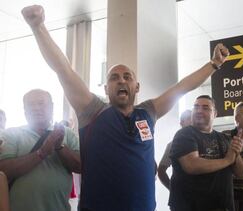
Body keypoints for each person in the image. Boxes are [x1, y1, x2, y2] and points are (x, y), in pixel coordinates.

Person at [22, 5, 229, 211]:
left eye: (127, 77)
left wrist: (214, 64)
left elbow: (182, 87)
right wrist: (38, 26)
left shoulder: (148, 112)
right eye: (114, 78)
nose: (121, 81)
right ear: (106, 88)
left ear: (136, 87)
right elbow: (63, 70)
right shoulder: (92, 110)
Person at [0, 89, 81, 211]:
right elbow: (3, 170)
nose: (36, 108)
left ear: (52, 107)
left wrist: (60, 147)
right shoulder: (11, 134)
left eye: (41, 103)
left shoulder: (67, 134)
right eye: (30, 104)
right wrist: (41, 153)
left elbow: (81, 166)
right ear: (25, 111)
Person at [169, 95, 243, 211]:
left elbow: (240, 173)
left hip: (223, 206)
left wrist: (236, 152)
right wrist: (227, 160)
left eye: (205, 108)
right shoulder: (184, 134)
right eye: (196, 107)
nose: (199, 111)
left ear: (215, 114)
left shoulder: (224, 138)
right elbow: (191, 165)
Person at [158, 109, 192, 190]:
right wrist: (173, 191)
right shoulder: (173, 144)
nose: (192, 123)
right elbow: (161, 171)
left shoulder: (201, 141)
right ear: (181, 123)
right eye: (189, 119)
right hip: (182, 198)